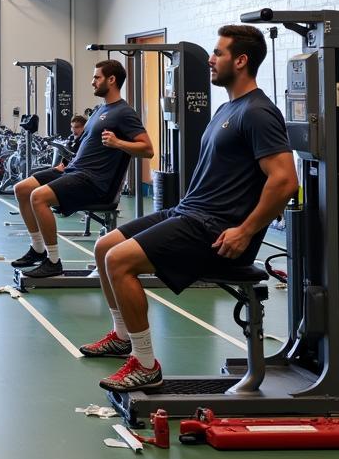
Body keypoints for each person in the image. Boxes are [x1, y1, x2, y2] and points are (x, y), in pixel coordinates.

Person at [81, 25, 297, 393]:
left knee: (119, 261)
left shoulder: (259, 112)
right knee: (104, 248)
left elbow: (285, 180)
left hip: (215, 228)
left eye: (219, 53)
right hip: (190, 211)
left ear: (241, 61)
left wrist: (245, 231)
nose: (210, 60)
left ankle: (145, 364)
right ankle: (121, 337)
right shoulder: (228, 107)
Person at [12, 61, 153, 280]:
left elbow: (147, 149)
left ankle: (53, 261)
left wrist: (118, 143)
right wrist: (64, 165)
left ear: (111, 80)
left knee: (38, 198)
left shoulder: (125, 113)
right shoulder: (100, 110)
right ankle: (38, 249)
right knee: (21, 189)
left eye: (97, 77)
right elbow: (84, 145)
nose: (92, 82)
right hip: (74, 170)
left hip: (94, 181)